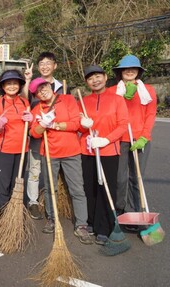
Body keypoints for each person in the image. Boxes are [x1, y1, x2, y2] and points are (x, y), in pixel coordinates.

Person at [28, 77, 93, 244]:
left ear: (50, 85)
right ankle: (51, 219)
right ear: (36, 95)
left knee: (77, 189)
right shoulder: (37, 109)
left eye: (44, 86)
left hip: (71, 151)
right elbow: (34, 133)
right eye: (38, 91)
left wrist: (54, 125)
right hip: (49, 153)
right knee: (51, 189)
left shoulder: (68, 99)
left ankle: (81, 225)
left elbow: (76, 124)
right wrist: (43, 124)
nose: (42, 91)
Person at [79, 65, 128, 245]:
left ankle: (104, 227)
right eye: (91, 78)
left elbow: (123, 125)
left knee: (106, 189)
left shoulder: (117, 100)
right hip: (87, 150)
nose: (95, 80)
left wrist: (106, 140)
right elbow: (78, 124)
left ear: (106, 77)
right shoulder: (83, 101)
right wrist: (82, 124)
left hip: (108, 151)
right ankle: (91, 222)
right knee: (90, 187)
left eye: (98, 76)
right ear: (86, 82)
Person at [107, 55, 157, 217]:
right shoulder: (112, 92)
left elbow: (150, 115)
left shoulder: (148, 91)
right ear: (120, 72)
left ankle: (138, 212)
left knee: (137, 178)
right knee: (120, 178)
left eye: (133, 69)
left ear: (138, 71)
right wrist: (120, 99)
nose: (129, 71)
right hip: (120, 139)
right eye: (125, 69)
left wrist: (144, 136)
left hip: (140, 139)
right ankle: (120, 210)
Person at [25, 52, 65, 220]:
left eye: (48, 63)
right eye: (42, 63)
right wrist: (27, 80)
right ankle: (33, 201)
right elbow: (24, 101)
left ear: (55, 65)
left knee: (53, 170)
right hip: (36, 134)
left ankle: (54, 200)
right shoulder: (32, 86)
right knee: (35, 169)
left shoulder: (60, 87)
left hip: (56, 135)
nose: (45, 66)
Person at [0, 70, 32, 212]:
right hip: (3, 150)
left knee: (17, 184)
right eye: (8, 84)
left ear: (19, 85)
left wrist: (31, 121)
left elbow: (30, 127)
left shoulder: (25, 102)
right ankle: (4, 214)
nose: (12, 86)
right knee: (3, 185)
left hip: (22, 150)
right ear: (3, 87)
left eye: (15, 83)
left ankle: (15, 213)